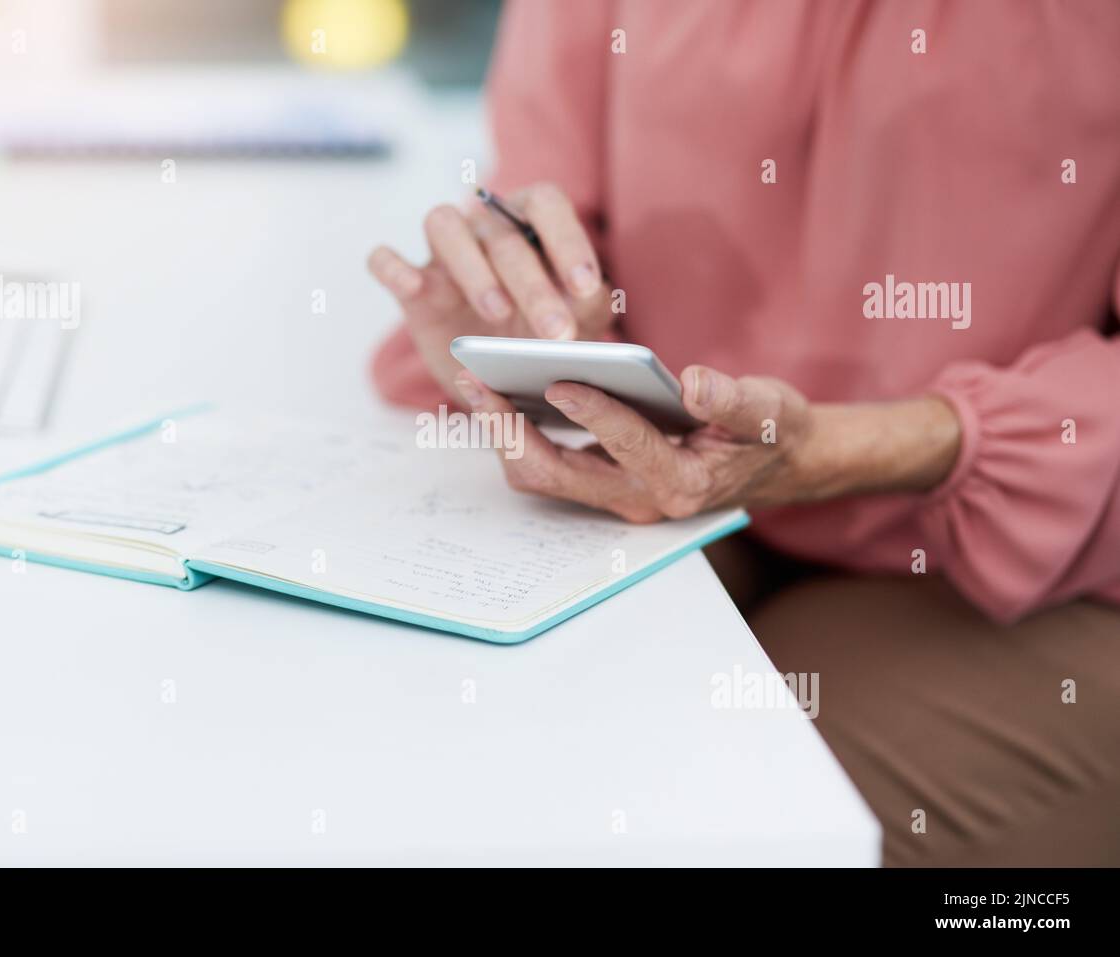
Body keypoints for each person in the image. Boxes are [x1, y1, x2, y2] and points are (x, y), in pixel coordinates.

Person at [366, 1, 1120, 866]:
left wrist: (845, 451)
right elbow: (558, 209)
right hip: (681, 515)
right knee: (466, 739)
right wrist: (531, 326)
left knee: (710, 809)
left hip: (1051, 570)